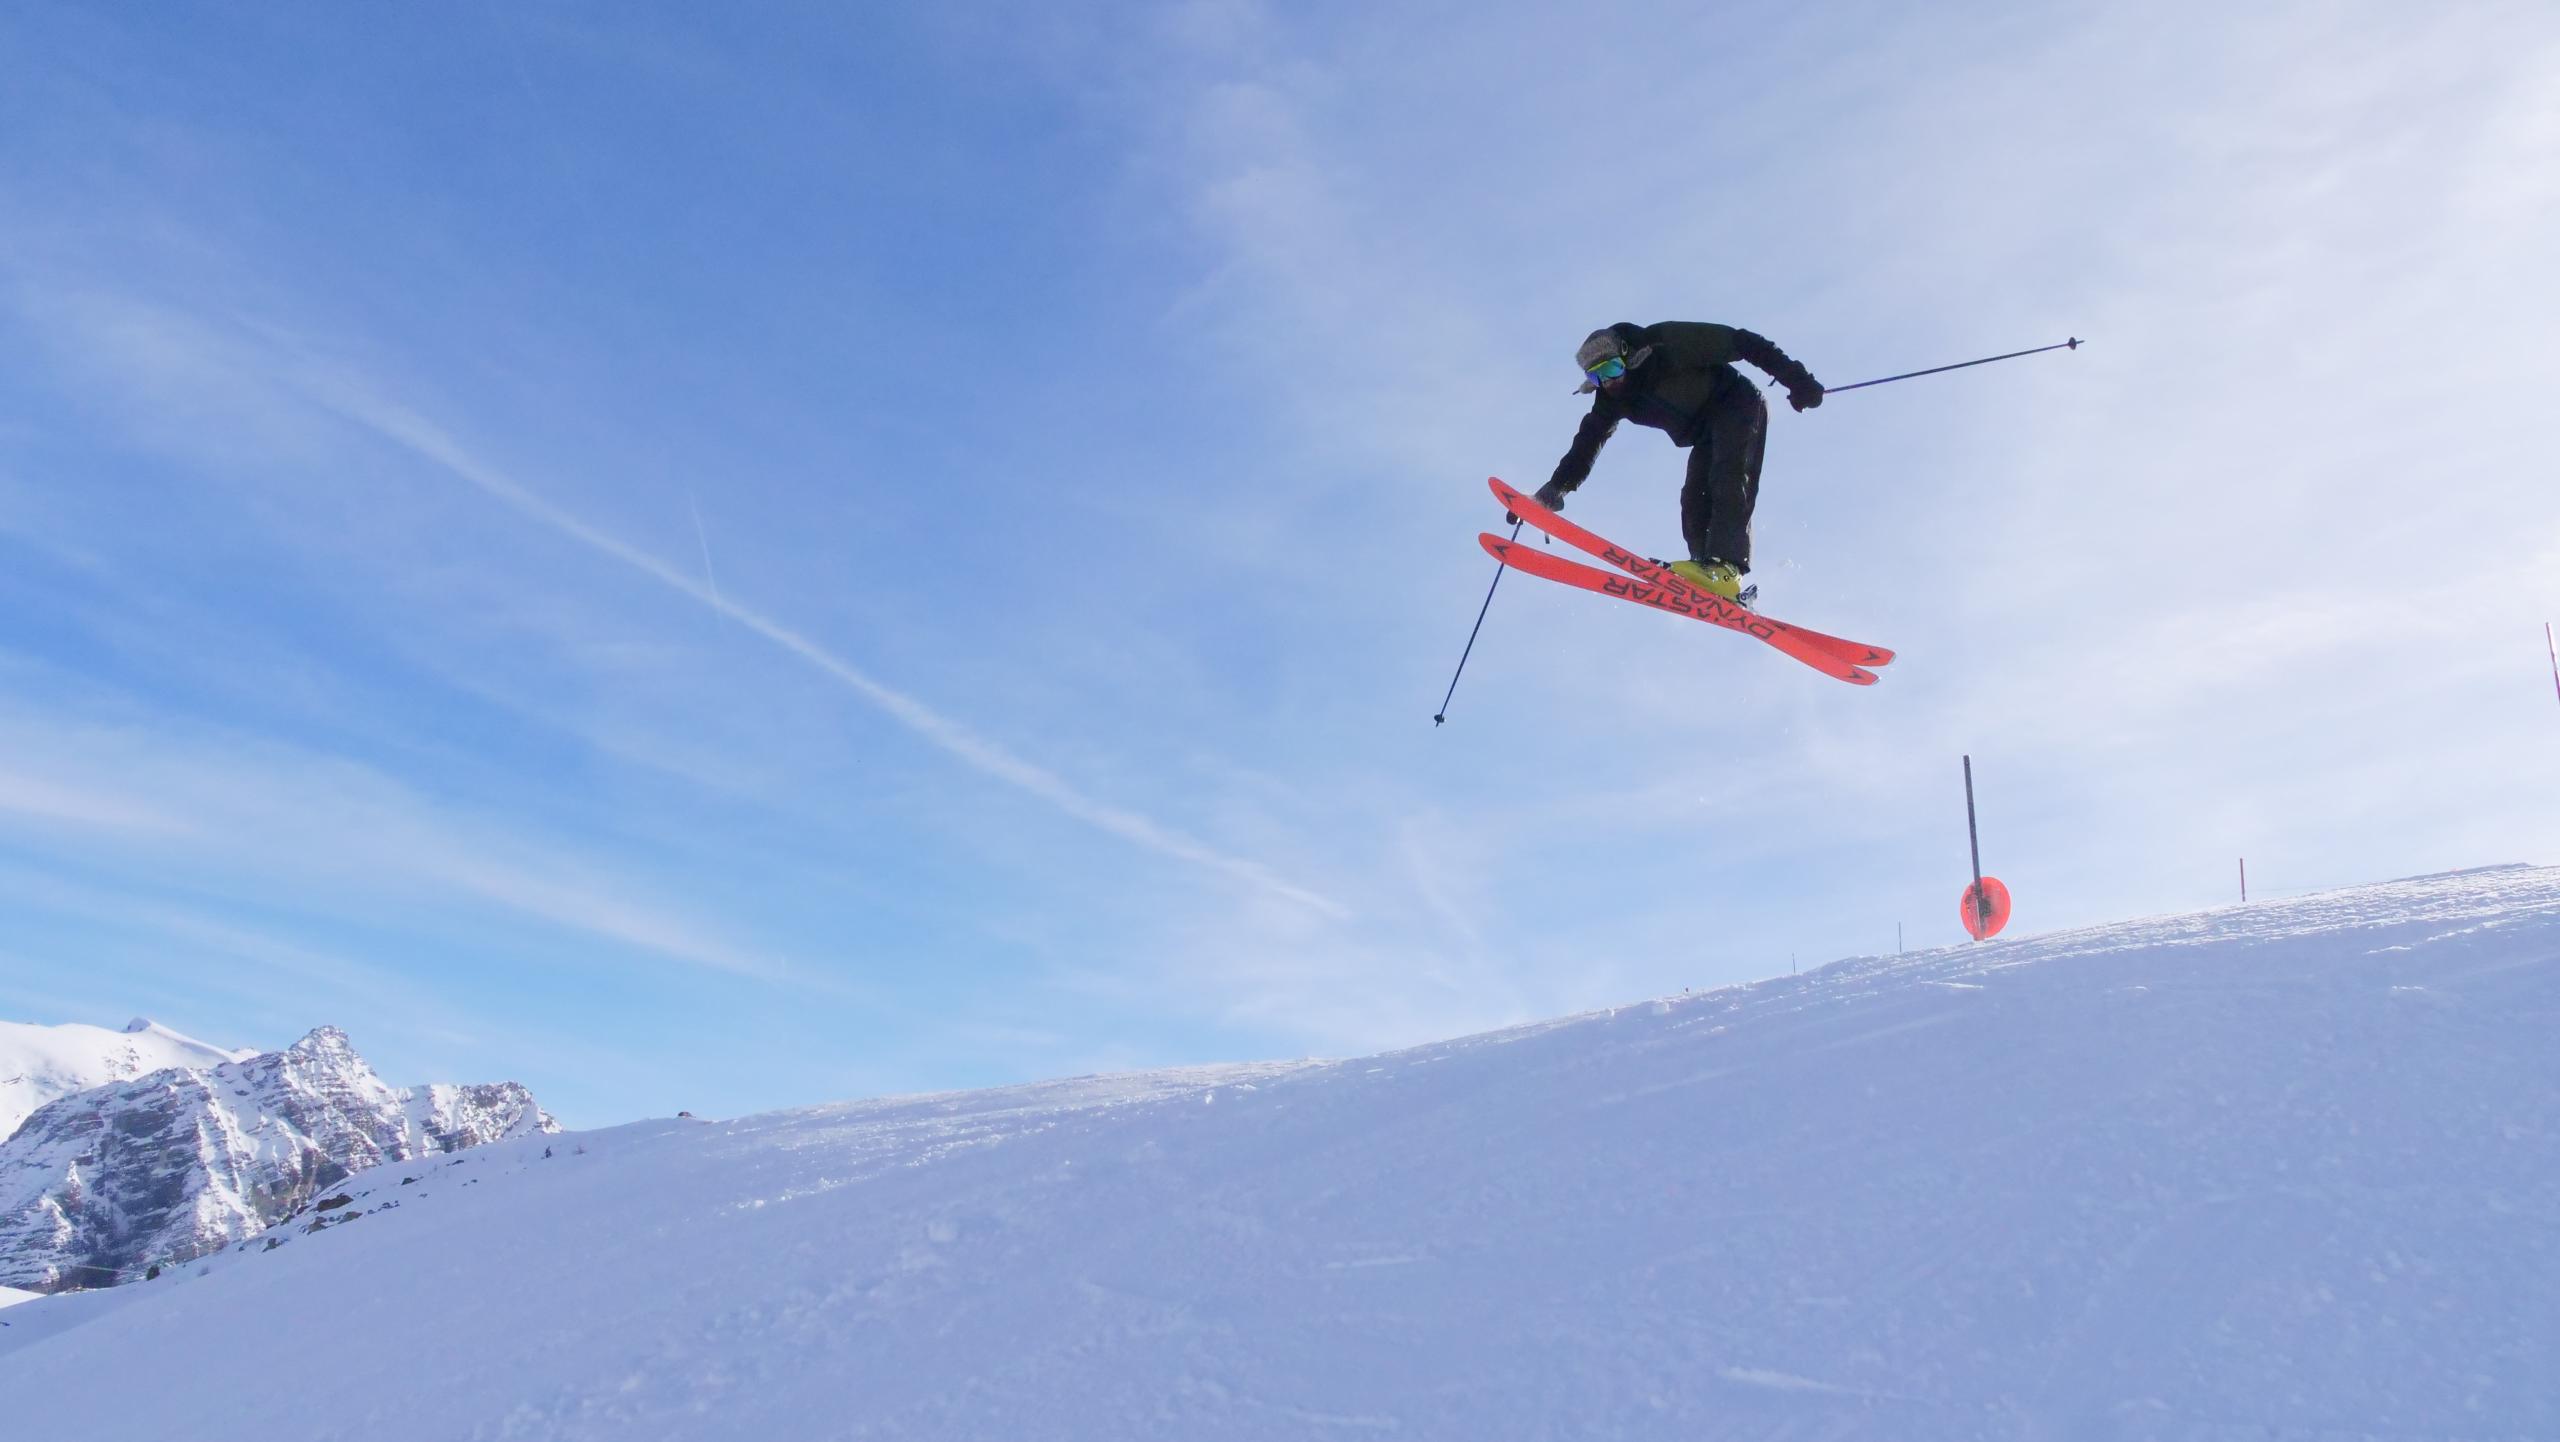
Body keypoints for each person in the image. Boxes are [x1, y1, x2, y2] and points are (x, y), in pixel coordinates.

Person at [1528, 322, 1823, 600]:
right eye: (1597, 377)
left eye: (1612, 368)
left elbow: (1742, 342)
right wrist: (1557, 488)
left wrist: (1798, 381)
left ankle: (1726, 568)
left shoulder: (1664, 344)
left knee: (1728, 477)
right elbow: (1588, 441)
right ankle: (1706, 571)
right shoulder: (1611, 398)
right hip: (1704, 429)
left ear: (1628, 358)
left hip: (1737, 403)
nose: (1609, 382)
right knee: (1694, 498)